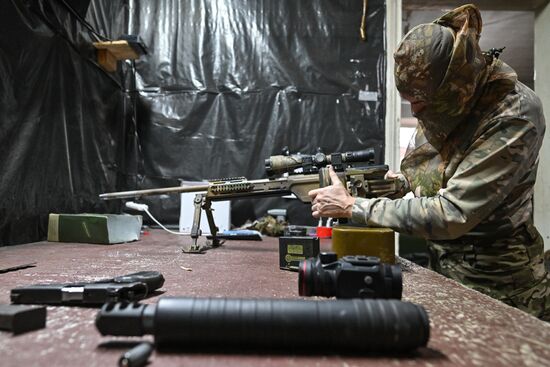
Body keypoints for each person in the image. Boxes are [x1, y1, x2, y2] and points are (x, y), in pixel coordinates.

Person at [308, 4, 549, 320]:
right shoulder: (449, 101)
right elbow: (430, 170)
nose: (418, 113)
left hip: (501, 287)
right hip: (444, 270)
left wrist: (354, 206)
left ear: (451, 87)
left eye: (421, 103)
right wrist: (393, 184)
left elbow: (454, 213)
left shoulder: (514, 115)